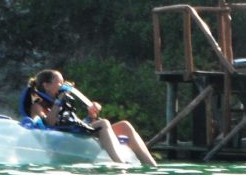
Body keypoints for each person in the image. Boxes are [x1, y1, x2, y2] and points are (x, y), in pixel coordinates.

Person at [21, 69, 158, 166]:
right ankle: (120, 163)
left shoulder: (62, 102)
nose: (63, 86)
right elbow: (49, 123)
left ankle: (151, 165)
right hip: (62, 139)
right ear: (46, 86)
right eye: (59, 83)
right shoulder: (37, 105)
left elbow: (76, 123)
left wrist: (91, 115)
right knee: (103, 123)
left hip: (73, 132)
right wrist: (59, 101)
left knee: (125, 126)